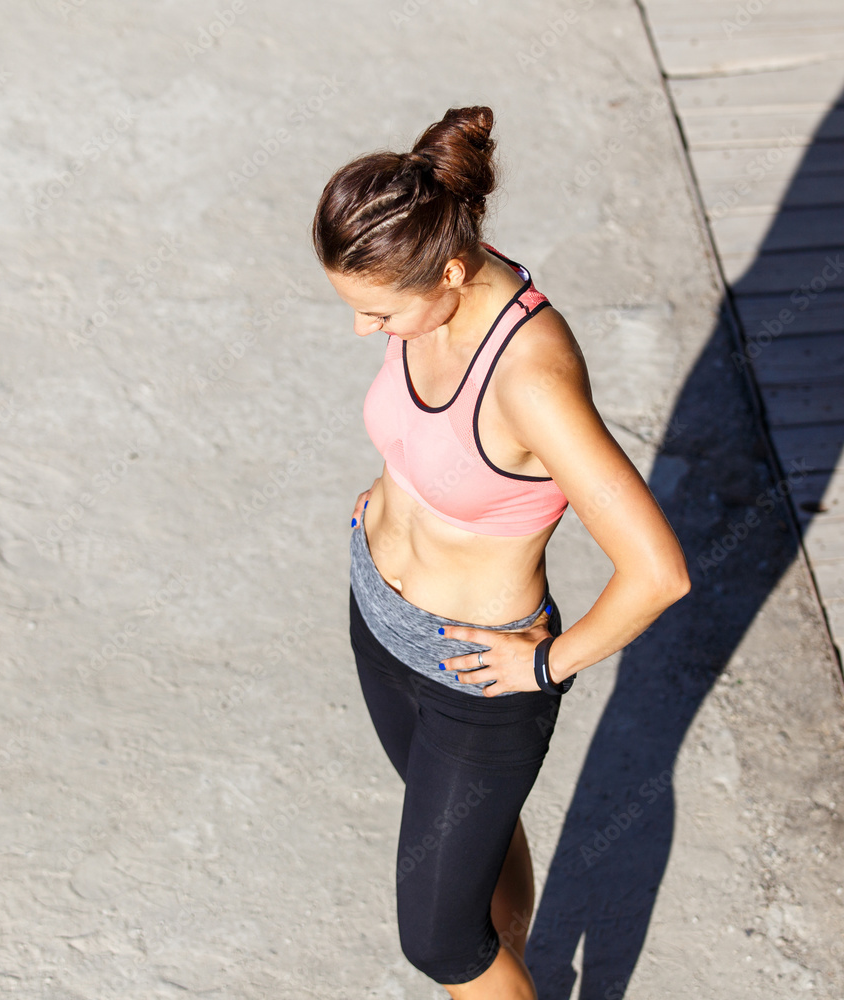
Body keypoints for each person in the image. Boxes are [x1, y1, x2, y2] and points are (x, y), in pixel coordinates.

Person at [311, 106, 690, 999]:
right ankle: (515, 965)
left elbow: (659, 571)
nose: (363, 332)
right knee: (477, 882)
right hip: (380, 620)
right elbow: (433, 439)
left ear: (447, 271)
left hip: (479, 676)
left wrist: (550, 664)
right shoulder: (435, 286)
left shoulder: (532, 378)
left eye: (377, 312)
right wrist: (389, 492)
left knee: (440, 944)